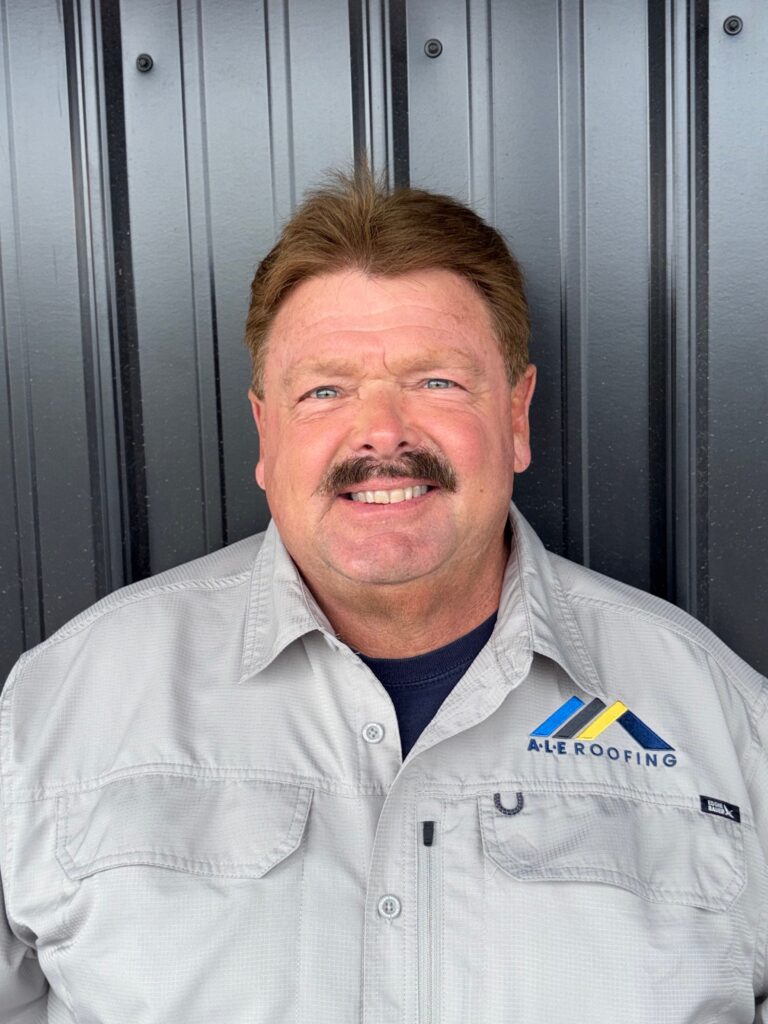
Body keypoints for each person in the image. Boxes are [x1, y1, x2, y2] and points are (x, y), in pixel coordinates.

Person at [1, 166, 766, 1024]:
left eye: (437, 381)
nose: (381, 433)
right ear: (265, 432)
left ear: (517, 417)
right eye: (324, 391)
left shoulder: (725, 723)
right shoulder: (58, 710)